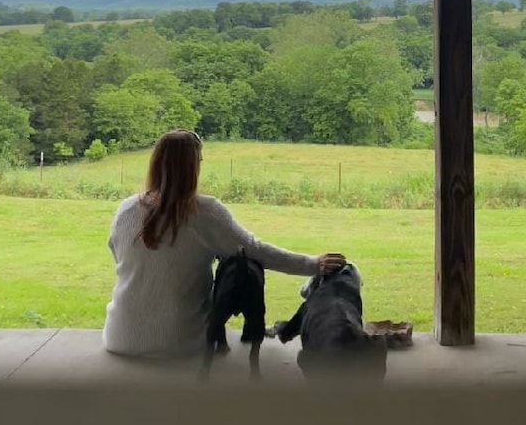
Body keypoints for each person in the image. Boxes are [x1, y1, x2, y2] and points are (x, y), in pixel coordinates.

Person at [102, 129, 345, 357]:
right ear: (193, 167)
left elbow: (118, 255)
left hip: (119, 338)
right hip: (180, 342)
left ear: (155, 164)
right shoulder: (205, 213)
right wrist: (314, 264)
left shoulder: (126, 209)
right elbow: (255, 250)